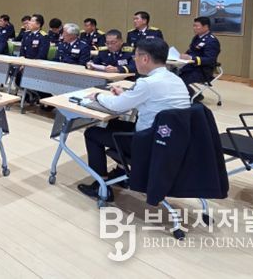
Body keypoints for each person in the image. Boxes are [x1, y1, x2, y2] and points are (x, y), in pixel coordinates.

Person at [77, 38, 190, 201]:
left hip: (148, 143)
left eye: (135, 56)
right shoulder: (175, 79)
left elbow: (116, 107)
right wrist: (126, 95)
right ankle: (121, 173)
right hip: (170, 140)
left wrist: (98, 95)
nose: (134, 60)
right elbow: (151, 101)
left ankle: (101, 185)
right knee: (114, 123)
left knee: (92, 133)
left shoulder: (147, 83)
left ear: (145, 58)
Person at [178, 16, 221, 99]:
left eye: (197, 26)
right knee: (173, 74)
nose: (194, 28)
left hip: (203, 70)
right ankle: (194, 95)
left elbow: (210, 59)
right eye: (193, 26)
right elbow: (191, 51)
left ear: (206, 27)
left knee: (180, 79)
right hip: (191, 67)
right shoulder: (197, 37)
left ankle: (193, 96)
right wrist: (184, 56)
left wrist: (192, 58)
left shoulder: (212, 41)